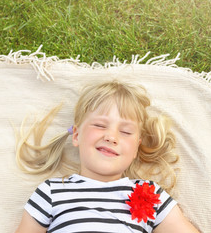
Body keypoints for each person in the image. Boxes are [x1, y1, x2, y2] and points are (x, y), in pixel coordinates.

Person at [15, 80, 199, 233]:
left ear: (136, 148)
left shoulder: (150, 193)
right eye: (100, 126)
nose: (111, 137)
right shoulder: (51, 192)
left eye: (126, 132)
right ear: (77, 136)